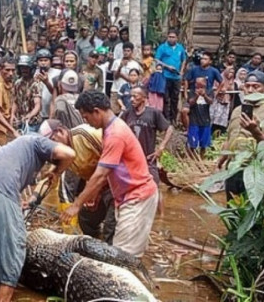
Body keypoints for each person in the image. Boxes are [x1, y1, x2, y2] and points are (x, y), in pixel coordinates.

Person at [0, 135, 75, 302]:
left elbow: (17, 179)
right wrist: (57, 172)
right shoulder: (39, 141)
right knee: (15, 250)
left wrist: (27, 201)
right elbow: (69, 154)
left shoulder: (19, 148)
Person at [62, 90, 158, 257]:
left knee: (123, 257)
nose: (86, 121)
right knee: (122, 254)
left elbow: (100, 174)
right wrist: (94, 194)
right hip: (128, 196)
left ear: (97, 111)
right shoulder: (110, 130)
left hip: (137, 196)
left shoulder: (115, 134)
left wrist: (76, 205)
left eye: (86, 117)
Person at [39, 119, 116, 244]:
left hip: (116, 183)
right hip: (99, 187)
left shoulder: (85, 134)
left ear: (61, 132)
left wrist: (79, 203)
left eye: (53, 140)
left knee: (111, 227)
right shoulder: (64, 154)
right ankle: (96, 246)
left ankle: (110, 253)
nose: (53, 147)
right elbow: (50, 180)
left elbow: (111, 162)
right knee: (86, 219)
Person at [121, 86, 173, 215]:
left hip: (148, 158)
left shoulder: (153, 113)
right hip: (131, 160)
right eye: (131, 96)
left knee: (154, 188)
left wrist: (161, 147)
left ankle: (162, 219)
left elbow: (169, 128)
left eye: (135, 96)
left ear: (144, 98)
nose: (132, 99)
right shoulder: (127, 113)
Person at [218, 71, 264, 201]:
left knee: (252, 214)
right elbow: (231, 137)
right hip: (233, 168)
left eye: (256, 86)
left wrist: (255, 131)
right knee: (232, 210)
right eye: (247, 86)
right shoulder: (237, 110)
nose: (250, 90)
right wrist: (221, 160)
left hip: (256, 172)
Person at [155, 29, 187, 122]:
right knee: (165, 98)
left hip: (176, 77)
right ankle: (166, 118)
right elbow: (157, 60)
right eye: (169, 37)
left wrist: (181, 71)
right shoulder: (162, 47)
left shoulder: (180, 48)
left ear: (177, 38)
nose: (171, 39)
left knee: (175, 98)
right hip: (165, 75)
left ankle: (173, 119)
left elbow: (184, 60)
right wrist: (167, 66)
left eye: (173, 37)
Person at [0, 57, 20, 149]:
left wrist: (12, 115)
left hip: (6, 126)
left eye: (13, 70)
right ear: (0, 69)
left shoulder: (8, 83)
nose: (11, 73)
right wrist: (13, 131)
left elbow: (11, 102)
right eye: (7, 70)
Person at [12, 54, 42, 133]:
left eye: (26, 68)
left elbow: (37, 104)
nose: (24, 70)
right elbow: (15, 101)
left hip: (32, 122)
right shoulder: (17, 83)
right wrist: (12, 114)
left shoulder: (35, 84)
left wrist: (30, 115)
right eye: (22, 68)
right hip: (20, 121)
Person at [111, 42, 142, 114]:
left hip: (128, 92)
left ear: (132, 52)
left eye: (128, 51)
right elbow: (115, 76)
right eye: (125, 51)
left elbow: (133, 79)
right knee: (115, 112)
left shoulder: (135, 64)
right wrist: (120, 67)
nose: (126, 53)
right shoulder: (117, 62)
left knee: (129, 113)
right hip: (116, 90)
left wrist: (121, 74)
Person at [187, 77, 214, 158]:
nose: (197, 85)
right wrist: (197, 95)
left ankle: (202, 159)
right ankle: (192, 159)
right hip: (194, 119)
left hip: (205, 119)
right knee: (193, 143)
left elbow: (211, 101)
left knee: (204, 144)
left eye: (199, 83)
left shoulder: (209, 91)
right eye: (196, 83)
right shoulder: (192, 91)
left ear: (204, 83)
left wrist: (204, 95)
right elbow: (190, 103)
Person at [35, 48, 60, 119]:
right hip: (37, 115)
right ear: (37, 62)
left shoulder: (57, 73)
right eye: (41, 60)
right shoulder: (34, 73)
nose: (43, 63)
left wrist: (47, 82)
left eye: (46, 60)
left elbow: (57, 94)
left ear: (51, 62)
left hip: (51, 113)